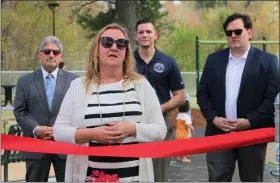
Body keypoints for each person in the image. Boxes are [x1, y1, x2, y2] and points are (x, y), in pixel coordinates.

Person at [53, 23, 167, 182]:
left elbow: (160, 131)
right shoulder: (78, 86)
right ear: (96, 49)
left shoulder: (142, 85)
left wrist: (133, 129)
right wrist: (92, 134)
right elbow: (58, 131)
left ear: (126, 52)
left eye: (121, 43)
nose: (114, 47)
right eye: (107, 42)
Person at [197, 13, 279, 182]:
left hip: (252, 134)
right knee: (217, 178)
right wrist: (214, 119)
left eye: (237, 31)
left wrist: (249, 121)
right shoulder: (214, 60)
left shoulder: (268, 61)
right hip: (219, 132)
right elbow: (202, 94)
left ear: (249, 32)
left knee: (251, 179)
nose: (233, 36)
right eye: (229, 33)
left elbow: (271, 98)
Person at [13, 36, 78, 182]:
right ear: (39, 54)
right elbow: (20, 111)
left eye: (56, 52)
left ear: (61, 56)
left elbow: (78, 111)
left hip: (65, 147)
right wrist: (35, 128)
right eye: (47, 51)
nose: (51, 55)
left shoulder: (74, 81)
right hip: (35, 148)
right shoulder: (25, 81)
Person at [134, 19, 186, 182]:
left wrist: (157, 109)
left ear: (155, 35)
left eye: (148, 32)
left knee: (159, 175)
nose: (145, 35)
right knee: (132, 170)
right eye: (141, 32)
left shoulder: (168, 62)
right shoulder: (126, 62)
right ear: (135, 36)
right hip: (132, 122)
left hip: (160, 122)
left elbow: (180, 96)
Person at [175, 94, 195, 163]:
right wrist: (192, 129)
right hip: (185, 134)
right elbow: (188, 124)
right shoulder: (186, 117)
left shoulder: (178, 115)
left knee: (179, 146)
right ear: (187, 108)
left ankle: (178, 156)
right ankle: (184, 158)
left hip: (178, 134)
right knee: (185, 147)